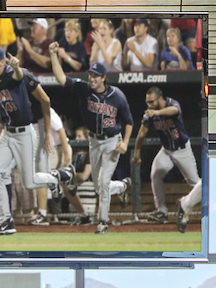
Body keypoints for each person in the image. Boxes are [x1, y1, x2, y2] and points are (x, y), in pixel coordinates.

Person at [0, 46, 68, 235]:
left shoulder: (23, 76)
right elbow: (3, 106)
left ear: (4, 62)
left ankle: (57, 177)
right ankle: (6, 221)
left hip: (26, 131)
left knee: (29, 181)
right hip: (8, 132)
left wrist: (47, 133)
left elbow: (45, 100)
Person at [79, 66, 136, 233]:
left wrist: (125, 142)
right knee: (99, 188)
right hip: (94, 141)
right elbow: (62, 79)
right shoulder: (85, 91)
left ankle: (103, 222)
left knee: (104, 182)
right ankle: (121, 186)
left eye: (96, 75)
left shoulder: (117, 95)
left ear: (103, 77)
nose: (92, 78)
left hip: (112, 141)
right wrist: (55, 56)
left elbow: (129, 121)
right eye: (90, 75)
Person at [140, 86, 200, 226]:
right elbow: (142, 133)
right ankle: (161, 211)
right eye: (147, 102)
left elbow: (175, 110)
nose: (149, 105)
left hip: (182, 149)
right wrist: (136, 153)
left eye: (151, 102)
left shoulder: (171, 103)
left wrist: (157, 112)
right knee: (155, 174)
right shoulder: (150, 113)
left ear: (160, 98)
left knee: (196, 183)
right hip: (166, 150)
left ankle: (196, 206)